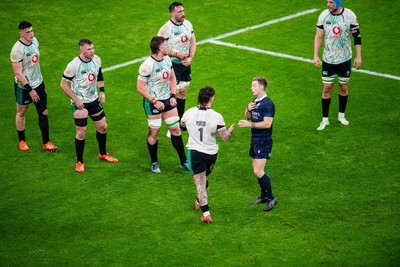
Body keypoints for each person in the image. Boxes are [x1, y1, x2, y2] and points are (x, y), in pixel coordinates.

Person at [60, 38, 118, 173]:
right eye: (88, 49)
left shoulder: (97, 59)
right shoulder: (73, 65)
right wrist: (75, 100)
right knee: (81, 132)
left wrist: (102, 91)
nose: (92, 51)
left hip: (93, 100)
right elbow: (63, 84)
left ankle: (103, 153)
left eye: (92, 48)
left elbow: (99, 75)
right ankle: (79, 161)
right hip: (80, 103)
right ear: (81, 50)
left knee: (103, 126)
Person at [180, 86, 234, 224]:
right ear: (211, 99)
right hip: (211, 154)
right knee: (203, 180)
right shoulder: (217, 116)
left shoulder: (189, 113)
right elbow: (224, 137)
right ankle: (201, 204)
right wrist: (231, 131)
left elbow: (182, 127)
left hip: (195, 153)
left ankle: (206, 213)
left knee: (201, 184)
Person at [137, 36, 189, 173]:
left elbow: (172, 78)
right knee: (154, 131)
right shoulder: (147, 65)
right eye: (166, 45)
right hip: (152, 102)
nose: (168, 47)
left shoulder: (167, 59)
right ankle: (154, 162)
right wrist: (154, 101)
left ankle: (183, 161)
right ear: (159, 48)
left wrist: (173, 95)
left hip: (167, 100)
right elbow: (140, 88)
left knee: (176, 130)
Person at [313, 0, 362, 131]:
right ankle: (325, 120)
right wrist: (316, 55)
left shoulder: (349, 15)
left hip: (345, 59)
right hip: (328, 59)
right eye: (327, 1)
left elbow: (357, 37)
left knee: (343, 87)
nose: (328, 4)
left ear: (338, 3)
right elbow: (318, 37)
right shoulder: (323, 16)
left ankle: (341, 115)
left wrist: (358, 56)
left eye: (331, 2)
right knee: (327, 88)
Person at [10, 21, 58, 152]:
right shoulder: (17, 50)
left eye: (31, 31)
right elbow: (18, 72)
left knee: (43, 111)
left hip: (39, 83)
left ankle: (46, 142)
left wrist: (36, 86)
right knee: (21, 112)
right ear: (21, 33)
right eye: (27, 32)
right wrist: (30, 90)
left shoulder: (35, 41)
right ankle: (22, 140)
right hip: (23, 87)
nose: (31, 34)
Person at [158, 1, 197, 136]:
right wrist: (176, 54)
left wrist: (190, 57)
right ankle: (171, 124)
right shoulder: (165, 29)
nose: (183, 14)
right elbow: (160, 49)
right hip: (172, 64)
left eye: (183, 11)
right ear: (172, 13)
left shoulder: (188, 24)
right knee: (172, 93)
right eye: (179, 12)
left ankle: (178, 122)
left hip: (185, 64)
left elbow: (192, 41)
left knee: (183, 91)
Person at [238, 77, 277, 212]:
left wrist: (250, 125)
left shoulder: (268, 104)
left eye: (254, 86)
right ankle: (264, 195)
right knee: (256, 170)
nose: (251, 88)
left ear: (261, 88)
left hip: (263, 140)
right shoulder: (255, 101)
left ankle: (272, 198)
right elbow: (248, 116)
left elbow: (267, 123)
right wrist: (248, 109)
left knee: (258, 171)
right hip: (255, 139)